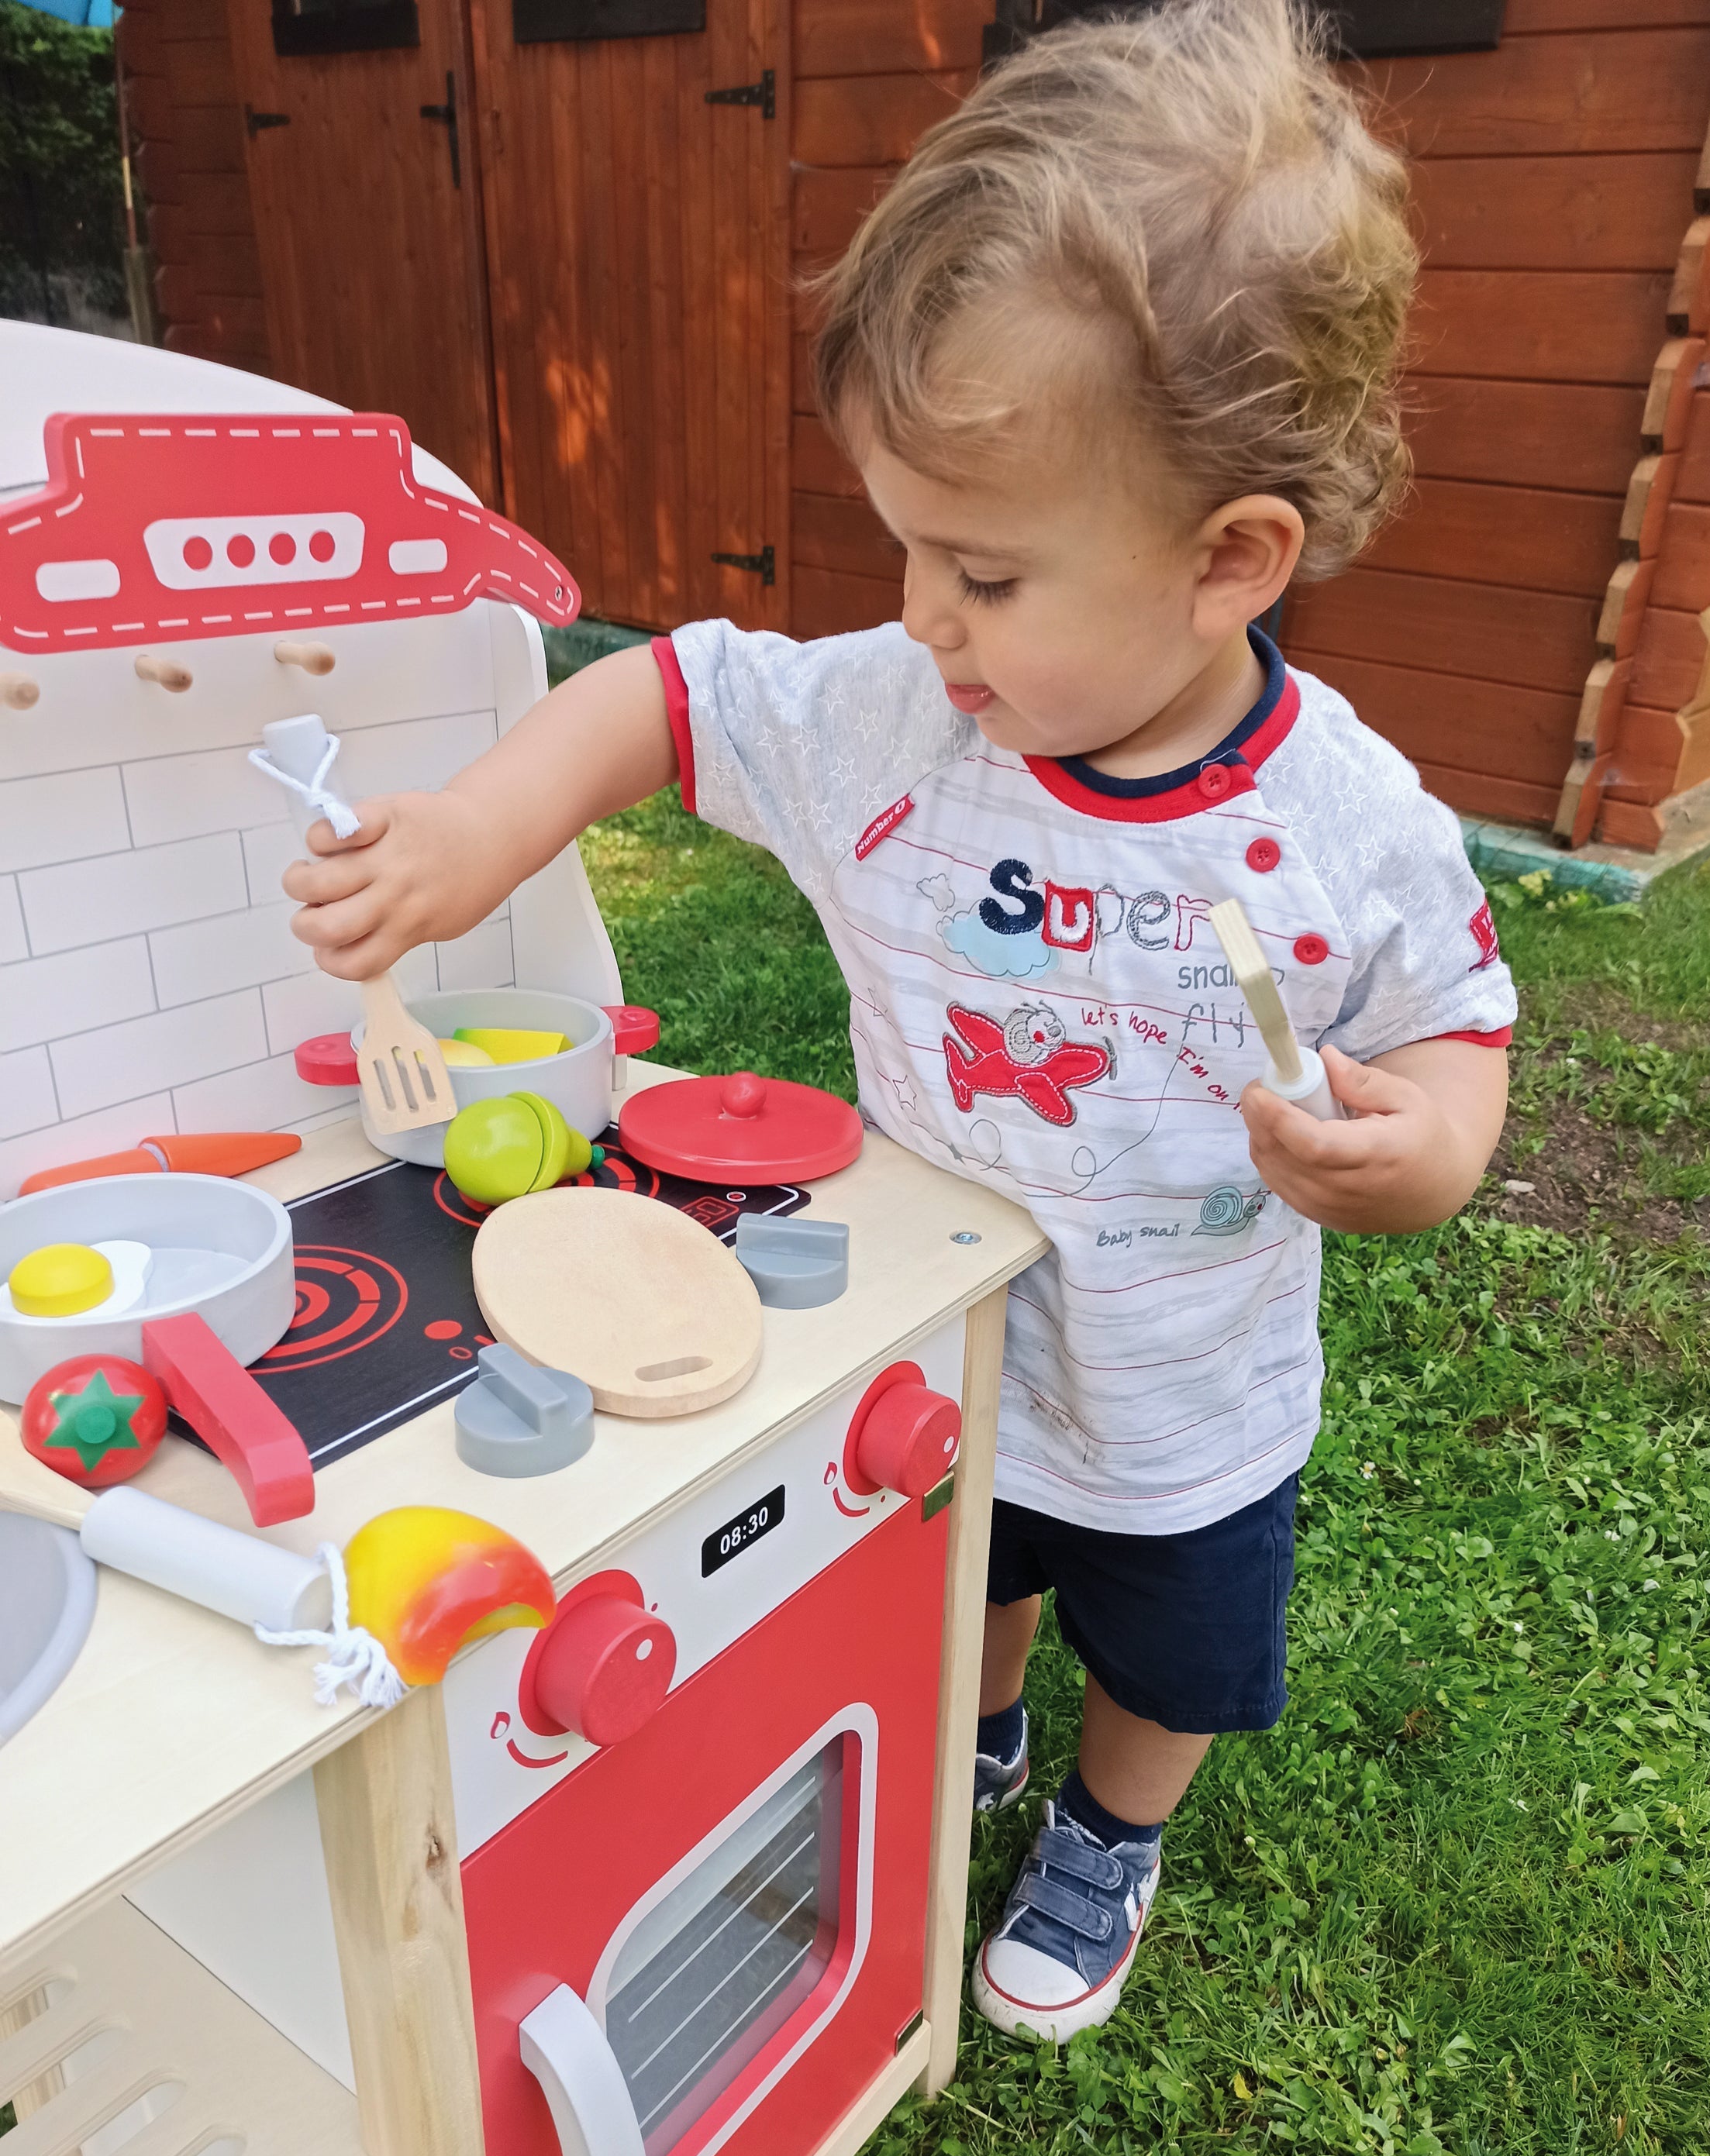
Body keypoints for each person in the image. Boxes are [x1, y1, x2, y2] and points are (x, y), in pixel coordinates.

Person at [284, 0, 1515, 2045]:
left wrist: (1424, 1153)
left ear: (1229, 561)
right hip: (937, 1322)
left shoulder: (1345, 826)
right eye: (904, 544)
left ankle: (1109, 1823)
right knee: (975, 1557)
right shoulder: (893, 714)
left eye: (987, 571)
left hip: (1181, 1395)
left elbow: (1460, 1030)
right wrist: (483, 832)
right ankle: (984, 1719)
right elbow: (667, 691)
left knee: (1175, 1648)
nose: (922, 615)